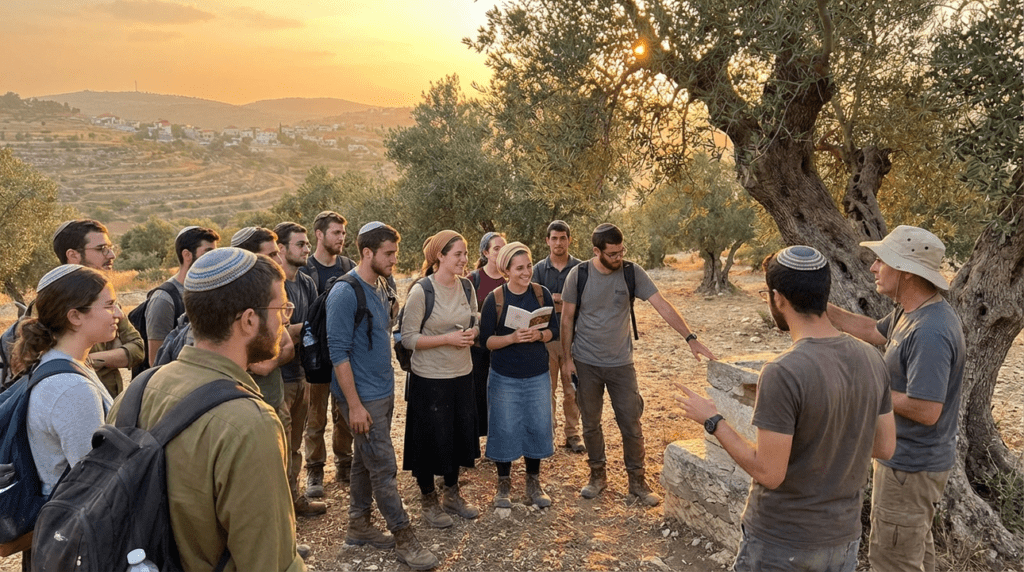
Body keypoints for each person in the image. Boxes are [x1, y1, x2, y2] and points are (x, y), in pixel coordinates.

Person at [676, 245, 896, 571]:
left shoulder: (783, 371)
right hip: (842, 540)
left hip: (783, 542)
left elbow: (769, 472)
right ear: (824, 294)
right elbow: (885, 447)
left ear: (778, 298)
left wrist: (712, 420)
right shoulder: (872, 358)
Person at [107, 248, 305, 571]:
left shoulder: (137, 392)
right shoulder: (250, 426)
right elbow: (270, 563)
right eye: (281, 307)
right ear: (249, 320)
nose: (285, 318)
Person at [826, 225, 966, 572]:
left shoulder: (930, 331)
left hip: (911, 467)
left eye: (882, 261)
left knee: (892, 562)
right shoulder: (911, 311)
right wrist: (815, 304)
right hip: (906, 464)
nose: (873, 267)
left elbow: (928, 409)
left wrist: (870, 389)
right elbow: (872, 331)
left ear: (905, 272)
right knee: (915, 556)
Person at [561, 223, 716, 506]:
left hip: (621, 363)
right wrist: (567, 360)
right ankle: (597, 476)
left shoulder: (632, 273)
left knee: (631, 422)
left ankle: (637, 481)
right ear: (597, 251)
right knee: (591, 423)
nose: (619, 257)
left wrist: (690, 338)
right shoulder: (579, 275)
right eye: (613, 253)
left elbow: (663, 305)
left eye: (622, 251)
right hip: (585, 362)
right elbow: (566, 318)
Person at [326, 222, 438, 570]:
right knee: (384, 468)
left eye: (395, 253)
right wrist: (355, 405)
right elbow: (338, 352)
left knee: (365, 461)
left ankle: (358, 526)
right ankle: (405, 538)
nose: (394, 260)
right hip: (361, 398)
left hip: (381, 393)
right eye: (388, 254)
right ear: (367, 253)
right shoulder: (345, 293)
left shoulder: (381, 286)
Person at [15, 265, 119, 497]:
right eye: (110, 305)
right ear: (74, 316)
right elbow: (96, 485)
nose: (119, 314)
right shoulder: (72, 389)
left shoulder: (61, 361)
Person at [401, 230, 481, 528]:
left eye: (465, 253)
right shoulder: (422, 291)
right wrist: (447, 339)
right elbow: (409, 338)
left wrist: (473, 332)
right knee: (429, 440)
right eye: (458, 254)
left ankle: (451, 493)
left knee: (457, 436)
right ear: (440, 256)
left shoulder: (467, 287)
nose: (464, 259)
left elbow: (475, 317)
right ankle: (428, 500)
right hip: (430, 379)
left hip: (462, 374)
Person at [479, 242, 558, 509]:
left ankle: (533, 483)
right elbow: (486, 341)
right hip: (504, 376)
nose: (526, 273)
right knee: (504, 426)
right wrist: (512, 338)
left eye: (528, 266)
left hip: (537, 374)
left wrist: (540, 334)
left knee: (537, 425)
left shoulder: (541, 294)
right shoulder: (496, 299)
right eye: (519, 268)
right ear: (506, 270)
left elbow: (554, 331)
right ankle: (503, 485)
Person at [52, 219, 144, 396]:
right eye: (101, 249)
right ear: (73, 255)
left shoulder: (107, 298)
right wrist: (115, 355)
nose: (111, 255)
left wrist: (89, 360)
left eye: (110, 247)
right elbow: (53, 362)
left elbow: (138, 349)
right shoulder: (51, 304)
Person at [299, 210, 355, 495]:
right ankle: (315, 470)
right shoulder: (305, 270)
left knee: (345, 412)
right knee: (316, 416)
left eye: (343, 233)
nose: (341, 238)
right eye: (336, 233)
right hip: (316, 358)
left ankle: (345, 463)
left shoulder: (348, 266)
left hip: (344, 354)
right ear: (319, 235)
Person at [273, 222, 326, 517]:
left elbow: (307, 330)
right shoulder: (272, 285)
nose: (307, 249)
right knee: (277, 449)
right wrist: (300, 329)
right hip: (278, 377)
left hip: (302, 374)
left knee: (294, 447)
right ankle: (279, 512)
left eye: (307, 244)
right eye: (300, 244)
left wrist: (296, 330)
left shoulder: (306, 283)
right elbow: (276, 335)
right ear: (281, 249)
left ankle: (294, 502)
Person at [531, 220, 585, 453]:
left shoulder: (581, 268)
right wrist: (556, 300)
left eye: (563, 238)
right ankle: (548, 434)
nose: (558, 242)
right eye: (554, 238)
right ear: (547, 241)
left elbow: (586, 300)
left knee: (572, 390)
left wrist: (561, 300)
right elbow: (533, 300)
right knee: (546, 390)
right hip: (547, 339)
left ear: (569, 240)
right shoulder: (538, 270)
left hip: (575, 340)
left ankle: (573, 434)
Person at [232, 226, 295, 409]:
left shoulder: (270, 296)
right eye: (272, 255)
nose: (280, 261)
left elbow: (289, 347)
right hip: (246, 409)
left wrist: (271, 361)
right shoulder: (232, 303)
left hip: (276, 402)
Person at [145, 225, 219, 365]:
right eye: (207, 253)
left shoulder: (208, 292)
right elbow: (155, 361)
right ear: (187, 255)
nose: (212, 259)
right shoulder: (163, 299)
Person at [468, 231, 506, 444]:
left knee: (500, 400)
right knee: (476, 397)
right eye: (496, 248)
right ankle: (472, 444)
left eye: (504, 248)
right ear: (485, 252)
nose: (501, 253)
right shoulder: (472, 279)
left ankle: (497, 446)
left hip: (503, 350)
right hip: (477, 350)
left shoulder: (510, 279)